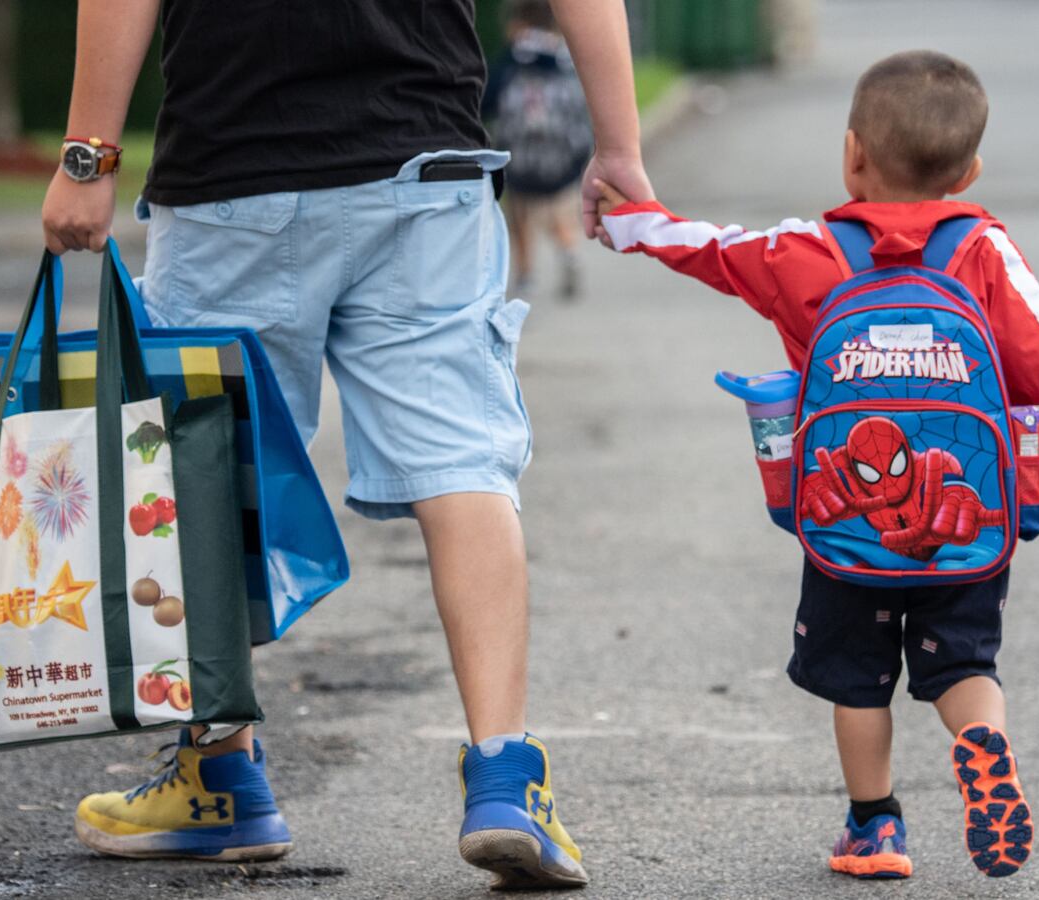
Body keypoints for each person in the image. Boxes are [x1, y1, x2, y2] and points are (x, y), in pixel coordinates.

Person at [40, 0, 653, 888]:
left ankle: (220, 776)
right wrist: (619, 143)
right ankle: (504, 776)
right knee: (462, 470)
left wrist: (86, 157)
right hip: (422, 169)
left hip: (231, 170)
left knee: (205, 473)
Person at [597, 50, 1039, 880]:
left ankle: (874, 829)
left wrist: (634, 220)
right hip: (965, 522)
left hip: (846, 529)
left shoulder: (809, 250)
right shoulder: (982, 250)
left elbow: (717, 251)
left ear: (852, 154)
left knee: (859, 680)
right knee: (966, 664)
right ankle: (982, 741)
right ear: (970, 170)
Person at [483, 0, 594, 299]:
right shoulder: (565, 57)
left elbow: (489, 101)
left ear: (517, 23)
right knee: (560, 215)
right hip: (562, 159)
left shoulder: (510, 59)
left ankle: (526, 276)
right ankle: (569, 251)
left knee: (520, 220)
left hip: (519, 161)